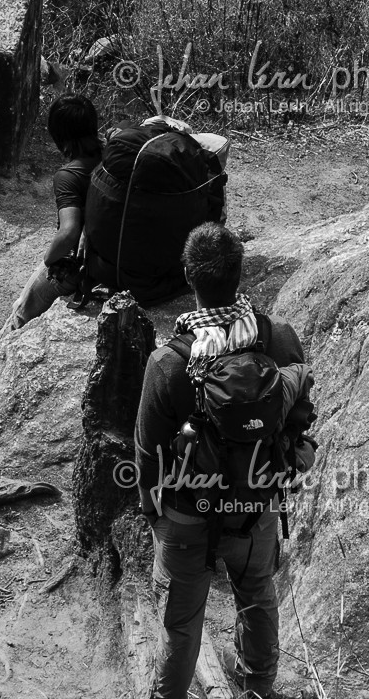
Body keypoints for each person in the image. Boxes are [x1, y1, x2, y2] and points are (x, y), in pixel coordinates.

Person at [135, 224, 316, 699]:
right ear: (239, 273)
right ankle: (258, 689)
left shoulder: (169, 363)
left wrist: (153, 512)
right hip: (255, 509)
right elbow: (297, 419)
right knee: (258, 598)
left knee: (180, 627)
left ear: (189, 277)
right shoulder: (278, 339)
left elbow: (147, 451)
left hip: (187, 516)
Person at [0, 93, 103, 362]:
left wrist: (49, 259)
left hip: (80, 266)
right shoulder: (110, 155)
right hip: (110, 258)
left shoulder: (69, 176)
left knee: (24, 307)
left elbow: (69, 231)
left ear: (59, 134)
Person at [81, 116, 227, 304]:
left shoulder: (122, 147)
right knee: (215, 182)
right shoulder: (184, 165)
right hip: (155, 285)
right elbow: (222, 145)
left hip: (103, 270)